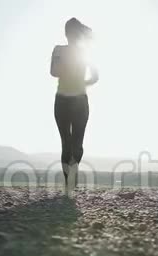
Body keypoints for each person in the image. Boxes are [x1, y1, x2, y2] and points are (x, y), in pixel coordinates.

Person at [50, 18, 99, 196]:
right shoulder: (59, 50)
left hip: (80, 101)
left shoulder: (85, 53)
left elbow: (95, 76)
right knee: (67, 144)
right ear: (66, 34)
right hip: (62, 101)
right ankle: (68, 186)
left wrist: (82, 83)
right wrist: (65, 62)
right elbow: (53, 72)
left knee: (77, 146)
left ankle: (73, 171)